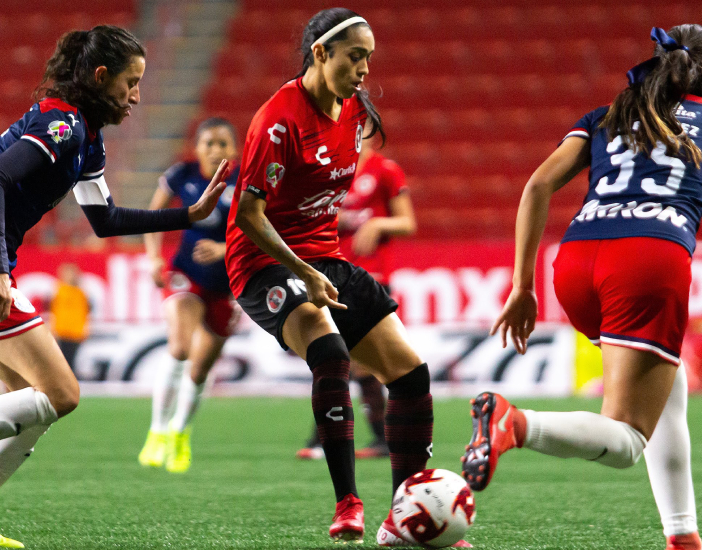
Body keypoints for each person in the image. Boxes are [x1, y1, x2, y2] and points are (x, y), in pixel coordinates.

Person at [461, 25, 702, 550]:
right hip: (650, 261)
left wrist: (523, 285)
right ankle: (514, 424)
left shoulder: (610, 114)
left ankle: (683, 536)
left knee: (666, 390)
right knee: (628, 438)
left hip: (576, 262)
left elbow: (537, 184)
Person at [0, 25, 229, 548]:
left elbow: (105, 219)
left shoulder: (87, 137)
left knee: (30, 401)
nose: (136, 95)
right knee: (63, 394)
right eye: (130, 83)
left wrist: (189, 214)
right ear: (99, 76)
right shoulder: (62, 123)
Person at [225, 8, 467, 547]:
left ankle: (405, 515)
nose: (363, 68)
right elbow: (246, 215)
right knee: (331, 353)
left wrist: (319, 267)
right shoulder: (277, 120)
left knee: (411, 376)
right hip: (264, 267)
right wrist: (304, 272)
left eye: (368, 58)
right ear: (319, 53)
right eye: (354, 56)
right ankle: (348, 502)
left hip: (323, 261)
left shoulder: (354, 111)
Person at [297, 133, 415, 460]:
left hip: (371, 278)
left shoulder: (385, 170)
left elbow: (408, 222)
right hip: (333, 276)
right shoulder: (331, 173)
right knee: (339, 358)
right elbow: (308, 219)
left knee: (354, 362)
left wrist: (376, 225)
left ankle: (331, 437)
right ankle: (377, 437)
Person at [138, 117, 240, 473]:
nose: (215, 150)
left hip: (228, 285)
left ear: (234, 150)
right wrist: (153, 258)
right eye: (208, 143)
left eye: (223, 144)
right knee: (180, 348)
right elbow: (152, 216)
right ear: (196, 148)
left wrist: (225, 249)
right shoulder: (183, 174)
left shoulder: (245, 181)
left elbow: (265, 231)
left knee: (200, 370)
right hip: (186, 276)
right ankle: (157, 432)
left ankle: (180, 431)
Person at [48, 262, 90, 370]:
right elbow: (55, 311)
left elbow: (83, 313)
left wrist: (85, 328)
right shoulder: (59, 290)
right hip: (62, 330)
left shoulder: (80, 293)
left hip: (76, 331)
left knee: (71, 360)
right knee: (63, 360)